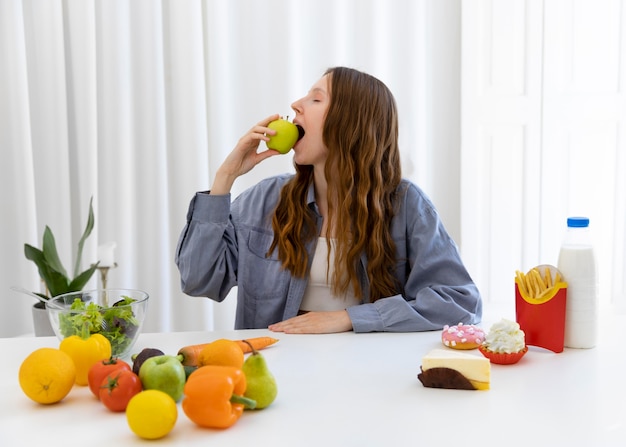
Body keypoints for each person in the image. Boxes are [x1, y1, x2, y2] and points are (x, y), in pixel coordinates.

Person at [175, 66, 482, 334]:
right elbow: (198, 280)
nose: (295, 105)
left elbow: (459, 301)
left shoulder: (406, 205)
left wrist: (349, 318)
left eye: (316, 98)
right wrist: (225, 178)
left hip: (369, 377)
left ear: (351, 124)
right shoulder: (265, 200)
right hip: (276, 373)